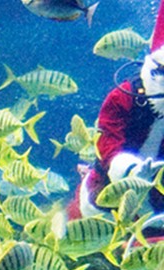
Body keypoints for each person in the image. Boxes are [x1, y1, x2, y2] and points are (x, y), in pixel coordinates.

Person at [70, 0, 164, 220]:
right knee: (76, 230)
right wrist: (129, 170)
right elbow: (108, 143)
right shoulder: (124, 96)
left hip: (158, 209)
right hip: (105, 200)